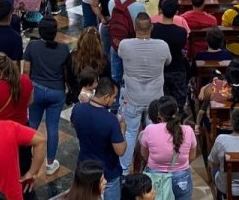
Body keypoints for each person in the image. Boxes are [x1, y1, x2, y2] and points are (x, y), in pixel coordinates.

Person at [117, 13, 171, 173]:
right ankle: (155, 168)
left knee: (130, 133)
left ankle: (124, 170)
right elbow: (168, 62)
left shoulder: (125, 45)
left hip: (132, 98)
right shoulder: (162, 45)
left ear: (134, 28)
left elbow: (120, 56)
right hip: (155, 100)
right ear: (151, 27)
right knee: (156, 133)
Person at [24, 17, 70, 176]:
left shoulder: (32, 46)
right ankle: (50, 164)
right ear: (55, 32)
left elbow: (26, 71)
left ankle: (26, 159)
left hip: (36, 90)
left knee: (32, 124)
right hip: (56, 92)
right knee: (52, 127)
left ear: (40, 31)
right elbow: (66, 73)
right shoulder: (64, 49)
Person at [72, 77, 126, 200]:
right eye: (114, 97)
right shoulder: (111, 120)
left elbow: (74, 125)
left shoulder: (77, 109)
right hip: (108, 173)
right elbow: (120, 150)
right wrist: (122, 129)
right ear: (106, 97)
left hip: (85, 169)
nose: (114, 100)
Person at [140, 98, 196, 200]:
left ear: (159, 114)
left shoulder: (149, 130)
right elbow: (192, 156)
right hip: (181, 177)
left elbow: (144, 154)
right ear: (177, 111)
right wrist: (180, 165)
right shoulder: (188, 130)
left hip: (155, 175)